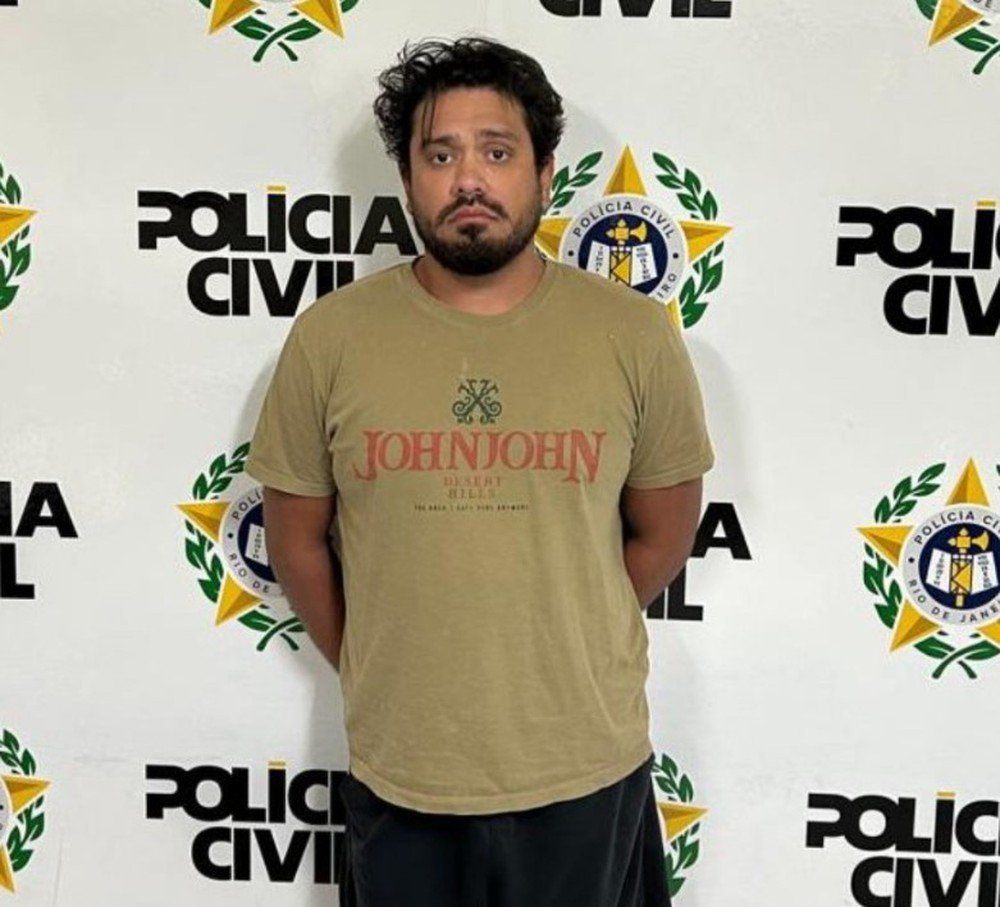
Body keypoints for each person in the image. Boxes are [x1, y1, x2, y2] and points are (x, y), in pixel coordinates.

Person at [246, 36, 713, 907]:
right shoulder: (330, 338)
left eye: (497, 153)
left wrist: (564, 634)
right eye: (440, 155)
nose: (469, 179)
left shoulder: (634, 335)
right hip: (404, 771)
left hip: (582, 767)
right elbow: (297, 540)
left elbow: (664, 530)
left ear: (545, 174)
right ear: (406, 178)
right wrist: (388, 662)